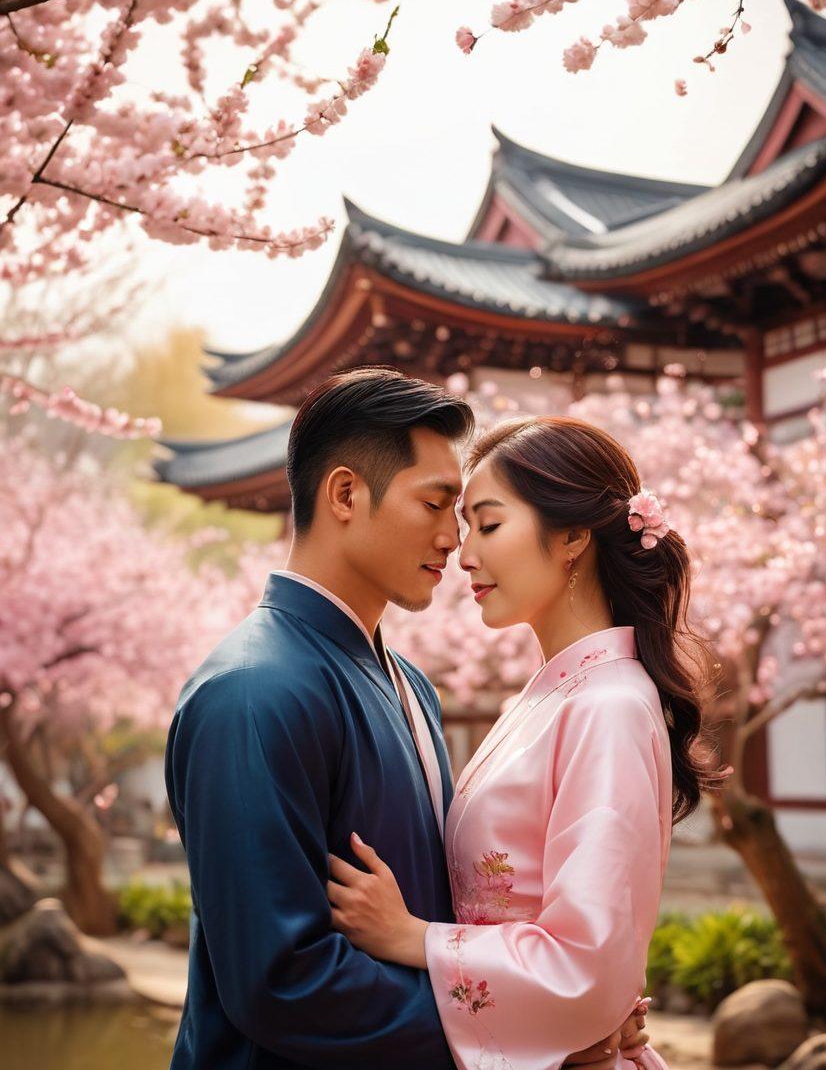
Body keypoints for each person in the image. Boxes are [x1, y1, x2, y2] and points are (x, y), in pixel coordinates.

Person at [164, 371, 645, 1070]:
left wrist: (561, 1003)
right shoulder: (251, 691)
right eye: (435, 503)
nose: (455, 541)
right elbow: (281, 981)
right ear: (347, 494)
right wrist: (526, 1035)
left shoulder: (410, 684)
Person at [328, 415, 720, 1070]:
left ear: (571, 537)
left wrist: (412, 938)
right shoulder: (550, 697)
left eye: (488, 524)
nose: (463, 552)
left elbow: (581, 964)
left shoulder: (609, 706)